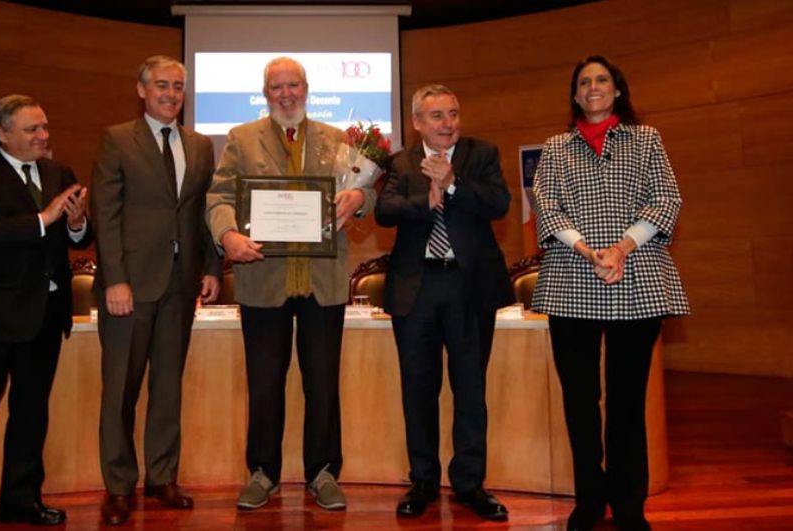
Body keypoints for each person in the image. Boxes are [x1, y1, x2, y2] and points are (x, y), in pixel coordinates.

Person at [205, 56, 375, 511]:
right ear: (266, 94)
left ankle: (323, 473)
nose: (286, 94)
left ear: (306, 88)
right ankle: (263, 472)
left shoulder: (337, 139)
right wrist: (228, 235)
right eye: (276, 87)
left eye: (293, 85)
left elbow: (366, 190)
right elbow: (220, 196)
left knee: (323, 382)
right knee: (264, 384)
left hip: (323, 283)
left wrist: (360, 197)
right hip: (263, 280)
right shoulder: (242, 139)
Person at [532, 55, 689, 531]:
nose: (593, 87)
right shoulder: (557, 147)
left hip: (636, 279)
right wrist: (587, 250)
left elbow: (667, 198)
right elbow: (546, 203)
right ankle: (589, 500)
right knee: (580, 402)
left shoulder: (647, 139)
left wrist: (621, 248)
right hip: (570, 282)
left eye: (602, 80)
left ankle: (628, 505)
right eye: (584, 82)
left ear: (616, 90)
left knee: (626, 401)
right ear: (576, 95)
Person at [0, 94, 91, 531]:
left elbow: (79, 241)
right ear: (1, 133)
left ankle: (22, 500)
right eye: (32, 129)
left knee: (31, 413)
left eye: (45, 127)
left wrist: (78, 222)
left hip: (44, 316)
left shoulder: (58, 173)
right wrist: (45, 218)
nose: (43, 136)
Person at [89, 55, 221, 524]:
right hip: (131, 285)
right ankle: (119, 485)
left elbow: (205, 211)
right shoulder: (117, 139)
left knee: (168, 386)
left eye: (179, 87)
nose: (171, 93)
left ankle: (162, 477)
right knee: (120, 389)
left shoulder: (201, 145)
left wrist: (211, 266)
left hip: (181, 285)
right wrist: (116, 278)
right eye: (162, 85)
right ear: (142, 89)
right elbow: (106, 214)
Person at [375, 84, 514, 521]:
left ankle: (470, 483)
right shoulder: (400, 161)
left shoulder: (481, 153)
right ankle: (423, 480)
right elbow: (384, 210)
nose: (448, 123)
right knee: (419, 388)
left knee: (470, 388)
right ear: (417, 123)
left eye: (453, 113)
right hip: (416, 290)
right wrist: (425, 201)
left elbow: (499, 203)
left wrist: (452, 186)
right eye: (436, 116)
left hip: (469, 288)